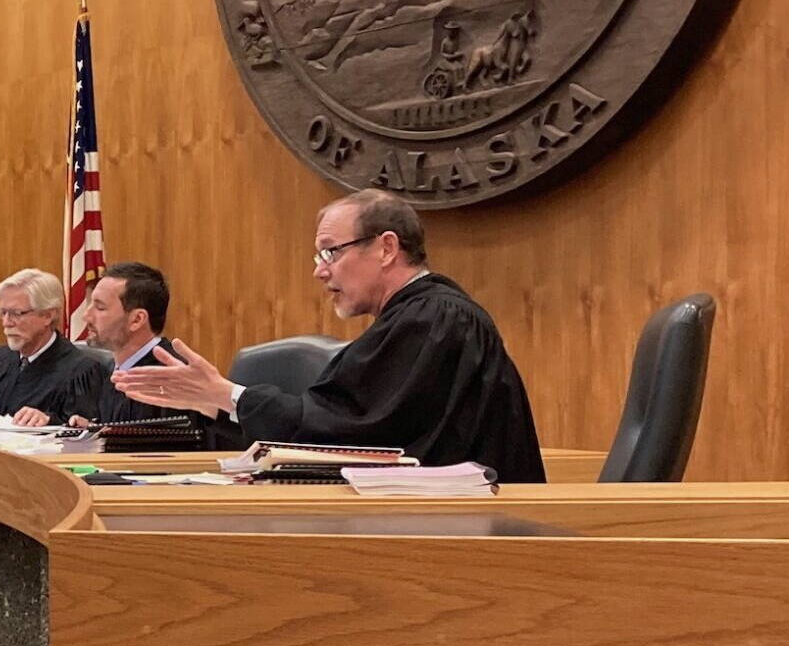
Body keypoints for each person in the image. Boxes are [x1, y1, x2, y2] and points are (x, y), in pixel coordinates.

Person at [111, 189, 547, 481]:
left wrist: (231, 397)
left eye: (330, 251)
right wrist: (216, 405)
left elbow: (355, 432)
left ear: (386, 248)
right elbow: (340, 421)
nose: (319, 270)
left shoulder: (435, 319)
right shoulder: (415, 317)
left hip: (463, 537)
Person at [0, 268, 101, 427]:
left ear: (47, 316)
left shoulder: (80, 371)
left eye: (16, 313)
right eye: (3, 313)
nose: (7, 322)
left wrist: (48, 420)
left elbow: (85, 429)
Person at [68, 262, 179, 427]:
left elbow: (158, 448)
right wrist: (93, 429)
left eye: (100, 308)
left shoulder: (168, 379)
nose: (86, 316)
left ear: (137, 319)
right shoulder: (114, 370)